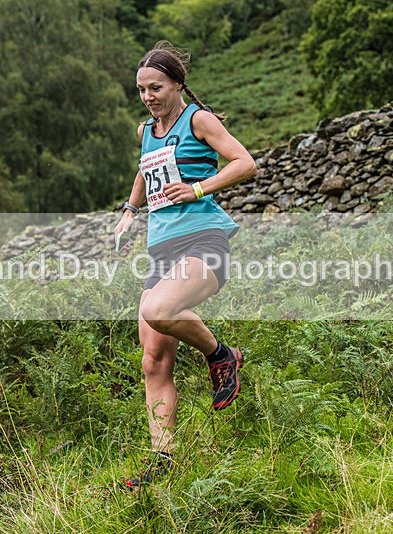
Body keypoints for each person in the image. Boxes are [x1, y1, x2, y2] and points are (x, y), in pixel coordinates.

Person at [113, 41, 257, 488]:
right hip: (161, 249)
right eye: (141, 90)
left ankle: (221, 355)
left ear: (176, 84)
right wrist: (129, 210)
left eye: (155, 87)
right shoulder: (146, 131)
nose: (148, 97)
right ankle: (164, 461)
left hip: (204, 240)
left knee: (159, 310)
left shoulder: (199, 120)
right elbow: (144, 169)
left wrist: (197, 189)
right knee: (153, 362)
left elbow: (245, 163)